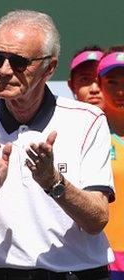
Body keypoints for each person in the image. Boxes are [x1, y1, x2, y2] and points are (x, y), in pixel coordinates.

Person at [0, 10, 113, 280]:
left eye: (18, 61)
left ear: (49, 68)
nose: (3, 70)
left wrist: (53, 182)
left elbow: (96, 220)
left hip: (79, 274)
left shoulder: (87, 120)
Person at [96, 46, 124, 279]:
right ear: (99, 84)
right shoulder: (89, 131)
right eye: (112, 82)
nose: (121, 90)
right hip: (104, 256)